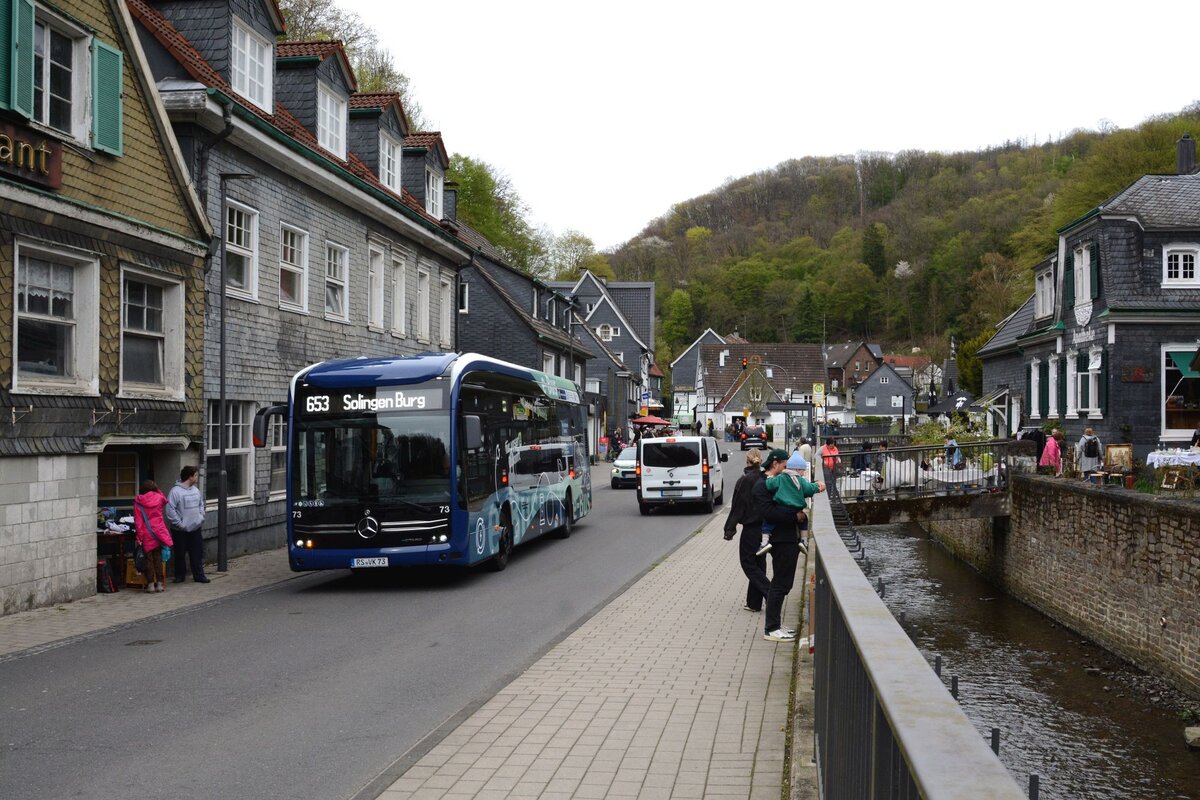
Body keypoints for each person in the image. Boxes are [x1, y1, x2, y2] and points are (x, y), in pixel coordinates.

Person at [752, 449, 811, 642]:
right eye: (785, 464)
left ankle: (776, 624)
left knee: (784, 583)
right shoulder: (764, 485)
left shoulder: (779, 482)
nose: (787, 468)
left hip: (788, 538)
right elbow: (769, 512)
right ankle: (771, 628)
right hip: (781, 539)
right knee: (780, 583)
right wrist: (795, 515)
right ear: (775, 463)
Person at [722, 450, 771, 613]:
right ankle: (754, 603)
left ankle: (770, 592)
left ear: (747, 461)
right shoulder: (765, 478)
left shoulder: (745, 480)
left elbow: (737, 506)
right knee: (759, 563)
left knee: (748, 563)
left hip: (751, 528)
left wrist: (729, 529)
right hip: (765, 527)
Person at [759, 452, 825, 551]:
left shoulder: (780, 478)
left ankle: (765, 542)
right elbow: (809, 489)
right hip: (796, 509)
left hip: (782, 508)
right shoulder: (801, 481)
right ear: (797, 469)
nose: (803, 473)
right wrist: (817, 487)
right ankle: (804, 541)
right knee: (804, 520)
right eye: (803, 470)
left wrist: (769, 478)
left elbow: (769, 485)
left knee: (768, 521)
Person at [166, 466, 210, 584]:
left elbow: (201, 504)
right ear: (190, 476)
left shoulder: (195, 490)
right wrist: (180, 524)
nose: (197, 477)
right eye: (195, 475)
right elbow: (170, 510)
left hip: (195, 528)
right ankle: (179, 575)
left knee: (197, 552)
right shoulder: (175, 492)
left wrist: (201, 516)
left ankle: (199, 575)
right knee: (180, 553)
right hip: (180, 530)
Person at [133, 479, 174, 593]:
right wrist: (157, 489)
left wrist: (139, 536)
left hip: (146, 533)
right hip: (158, 532)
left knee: (148, 560)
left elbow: (138, 521)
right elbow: (165, 499)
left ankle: (150, 584)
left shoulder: (138, 502)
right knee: (158, 558)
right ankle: (160, 584)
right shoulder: (159, 498)